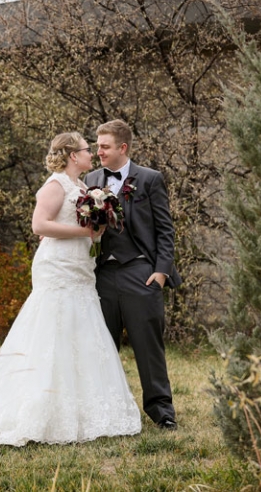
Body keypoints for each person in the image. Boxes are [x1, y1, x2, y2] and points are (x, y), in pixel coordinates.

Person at [0, 132, 141, 446]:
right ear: (71, 155)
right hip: (58, 268)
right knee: (52, 332)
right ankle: (35, 411)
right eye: (85, 150)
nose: (91, 154)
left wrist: (97, 227)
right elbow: (40, 225)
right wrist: (81, 231)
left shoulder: (82, 187)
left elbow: (79, 229)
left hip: (80, 268)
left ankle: (85, 411)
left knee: (82, 333)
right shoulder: (55, 186)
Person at [84, 119, 181, 430]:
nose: (98, 151)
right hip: (102, 274)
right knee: (102, 347)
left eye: (104, 146)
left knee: (147, 345)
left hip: (141, 271)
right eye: (97, 146)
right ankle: (105, 414)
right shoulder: (91, 179)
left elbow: (166, 230)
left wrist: (161, 273)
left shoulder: (150, 179)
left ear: (122, 148)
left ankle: (162, 412)